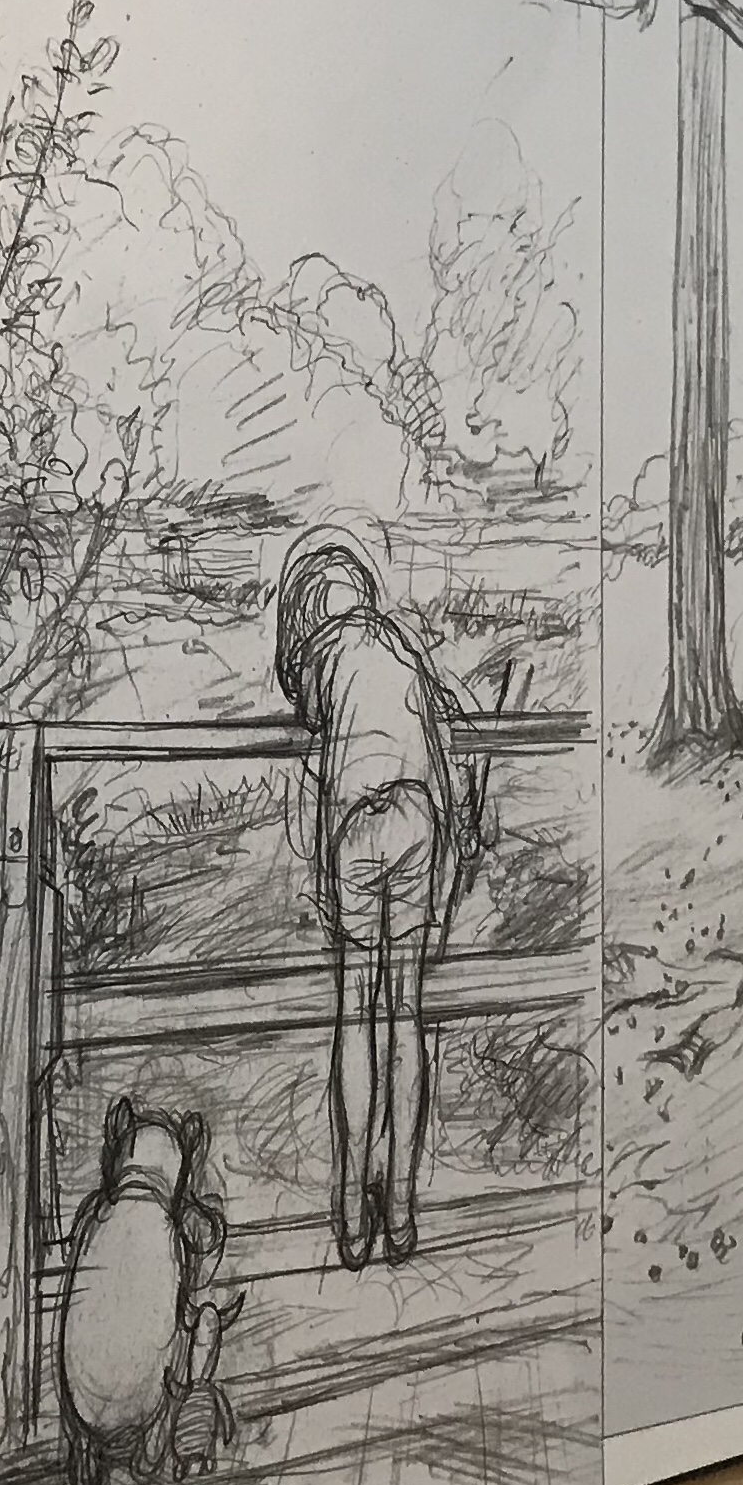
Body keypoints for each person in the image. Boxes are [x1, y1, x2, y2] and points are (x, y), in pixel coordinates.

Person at [272, 528, 477, 1269]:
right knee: (407, 1013)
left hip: (357, 823)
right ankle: (402, 1208)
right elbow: (443, 738)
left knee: (356, 1010)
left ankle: (352, 1213)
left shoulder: (322, 655)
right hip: (419, 815)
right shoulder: (399, 646)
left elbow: (319, 743)